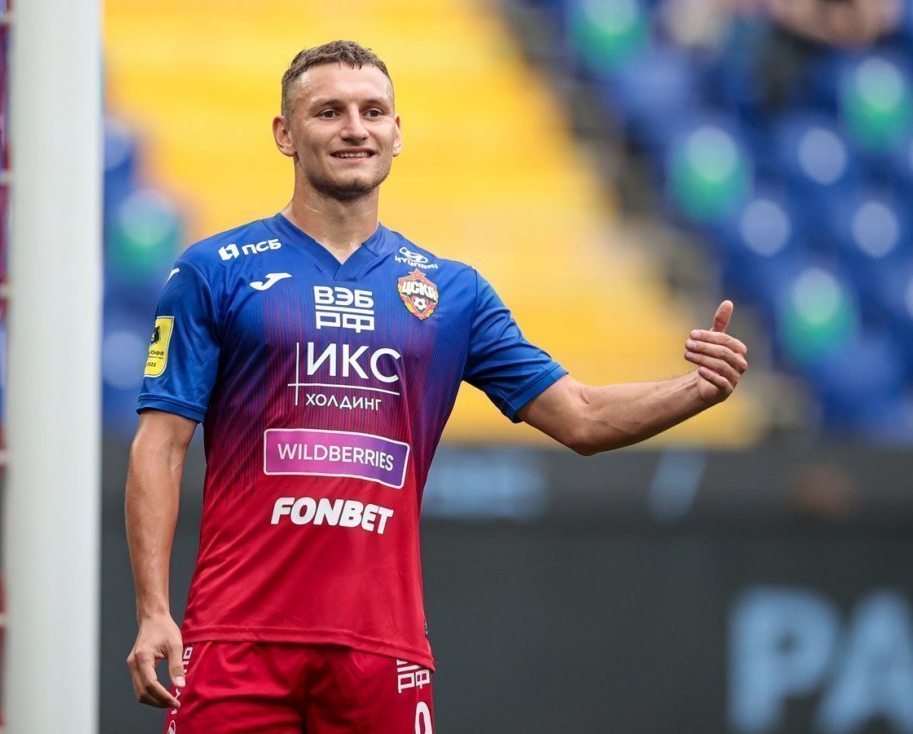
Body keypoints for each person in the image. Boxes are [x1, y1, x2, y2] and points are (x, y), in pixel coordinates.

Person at [125, 40, 749, 733]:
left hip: (381, 654)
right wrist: (154, 611)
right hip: (236, 641)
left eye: (372, 112)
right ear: (285, 133)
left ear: (397, 133)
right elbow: (160, 444)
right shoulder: (215, 270)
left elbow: (581, 416)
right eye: (328, 112)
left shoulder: (454, 293)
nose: (354, 128)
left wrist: (695, 391)